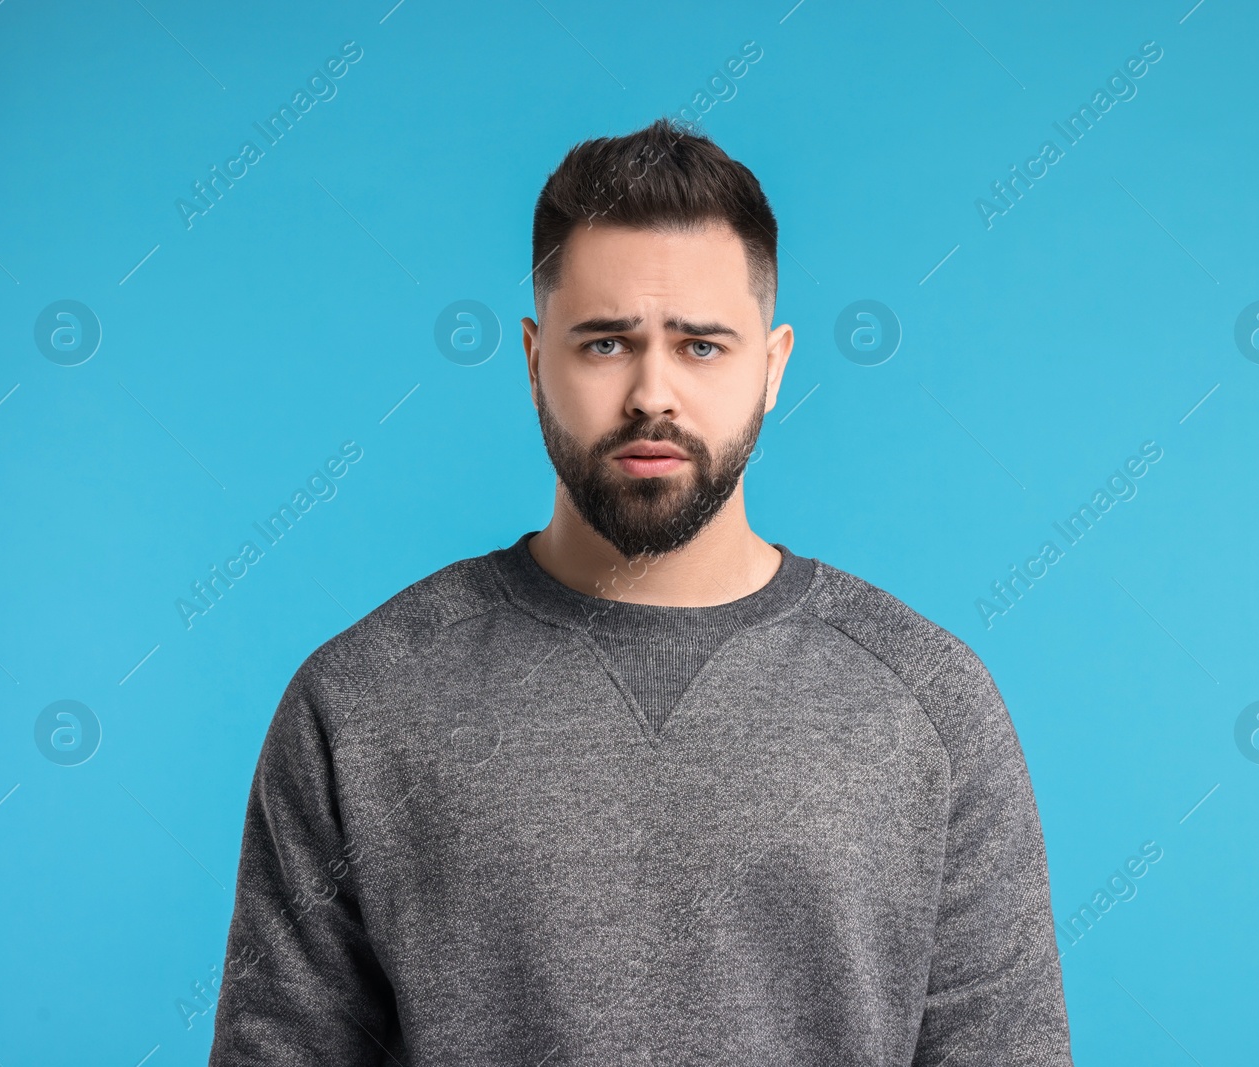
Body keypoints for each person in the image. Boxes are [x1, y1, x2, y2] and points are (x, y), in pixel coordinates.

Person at [209, 117, 1073, 1066]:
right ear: (536, 359)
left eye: (701, 346)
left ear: (774, 365)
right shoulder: (361, 701)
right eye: (608, 343)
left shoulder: (932, 705)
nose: (653, 393)